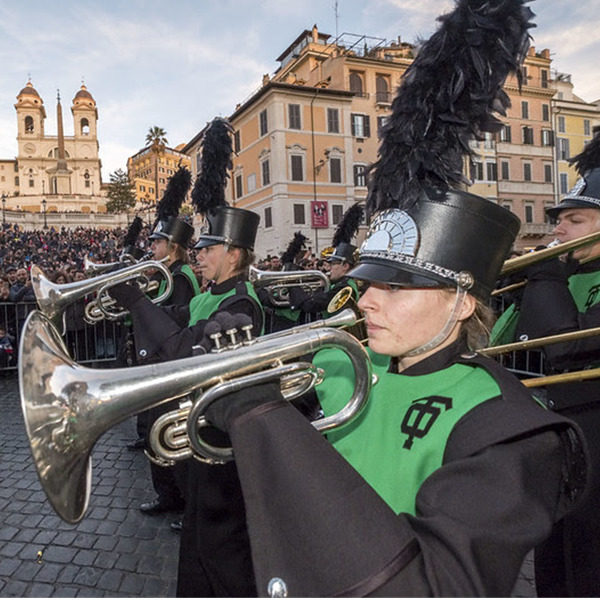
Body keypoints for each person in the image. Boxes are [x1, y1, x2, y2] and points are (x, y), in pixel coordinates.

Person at [197, 0, 588, 595]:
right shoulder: (335, 361)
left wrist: (262, 419)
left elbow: (432, 585)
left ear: (462, 300)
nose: (364, 303)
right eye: (368, 282)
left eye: (398, 285)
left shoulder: (508, 429)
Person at [111, 117, 263, 597]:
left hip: (223, 440)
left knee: (221, 549)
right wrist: (130, 297)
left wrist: (136, 301)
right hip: (197, 430)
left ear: (234, 254)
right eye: (197, 247)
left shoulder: (241, 304)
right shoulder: (207, 295)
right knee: (197, 543)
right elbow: (173, 321)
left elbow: (182, 351)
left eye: (208, 248)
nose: (198, 254)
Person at [507, 129, 600, 597]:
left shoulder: (559, 276)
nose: (557, 230)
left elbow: (564, 347)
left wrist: (544, 272)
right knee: (554, 567)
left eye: (575, 220)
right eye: (559, 220)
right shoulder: (572, 276)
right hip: (566, 447)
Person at [138, 206, 201, 517]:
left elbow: (177, 321)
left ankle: (179, 501)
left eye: (157, 242)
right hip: (162, 362)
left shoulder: (182, 277)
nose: (152, 248)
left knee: (166, 436)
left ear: (171, 245)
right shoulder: (169, 275)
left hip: (173, 364)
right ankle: (168, 497)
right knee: (155, 434)